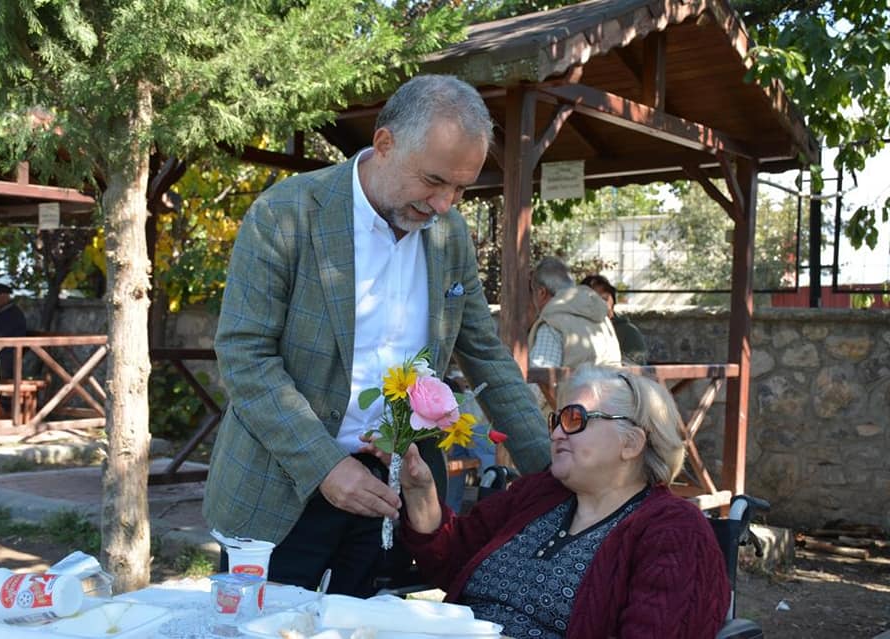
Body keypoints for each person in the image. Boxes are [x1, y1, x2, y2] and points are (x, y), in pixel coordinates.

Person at [203, 74, 551, 598]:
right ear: (385, 144)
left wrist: (557, 473)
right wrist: (325, 466)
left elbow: (485, 355)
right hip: (279, 491)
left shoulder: (449, 235)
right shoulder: (286, 214)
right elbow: (245, 357)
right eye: (434, 181)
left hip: (391, 493)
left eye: (460, 188)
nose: (444, 205)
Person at [388, 364, 730, 639]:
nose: (555, 434)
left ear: (632, 442)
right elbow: (450, 560)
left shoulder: (674, 532)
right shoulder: (539, 493)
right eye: (557, 420)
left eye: (575, 419)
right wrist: (420, 492)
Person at [528, 257, 622, 371]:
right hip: (615, 388)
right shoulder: (603, 321)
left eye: (532, 293)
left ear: (541, 292)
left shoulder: (552, 326)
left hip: (575, 389)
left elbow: (540, 379)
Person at [581, 273, 648, 365]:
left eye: (604, 299)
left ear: (613, 301)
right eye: (593, 299)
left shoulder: (628, 332)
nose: (600, 304)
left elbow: (636, 369)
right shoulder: (576, 330)